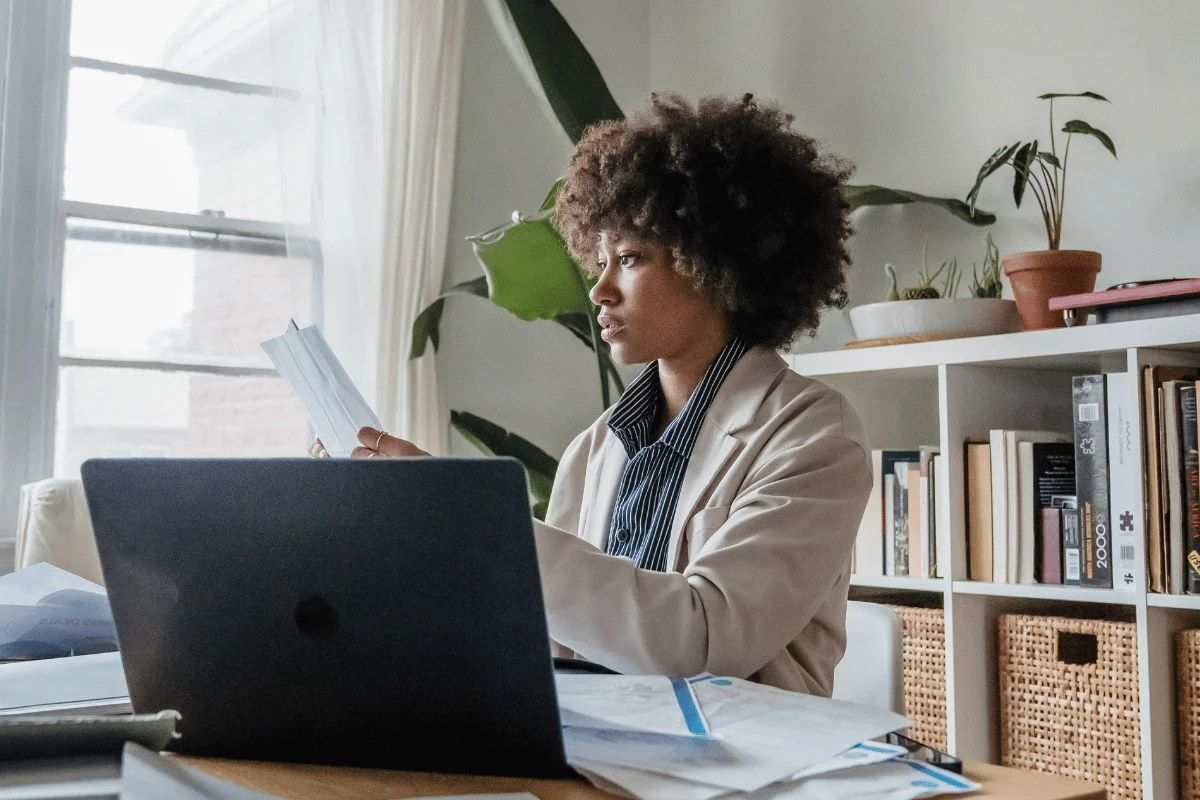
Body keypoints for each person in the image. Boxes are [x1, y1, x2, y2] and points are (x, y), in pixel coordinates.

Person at [350, 93, 871, 696]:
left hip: (735, 776)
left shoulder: (815, 436)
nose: (599, 289)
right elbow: (550, 638)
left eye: (628, 258)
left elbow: (703, 640)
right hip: (602, 755)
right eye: (599, 260)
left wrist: (479, 526)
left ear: (716, 263)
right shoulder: (595, 449)